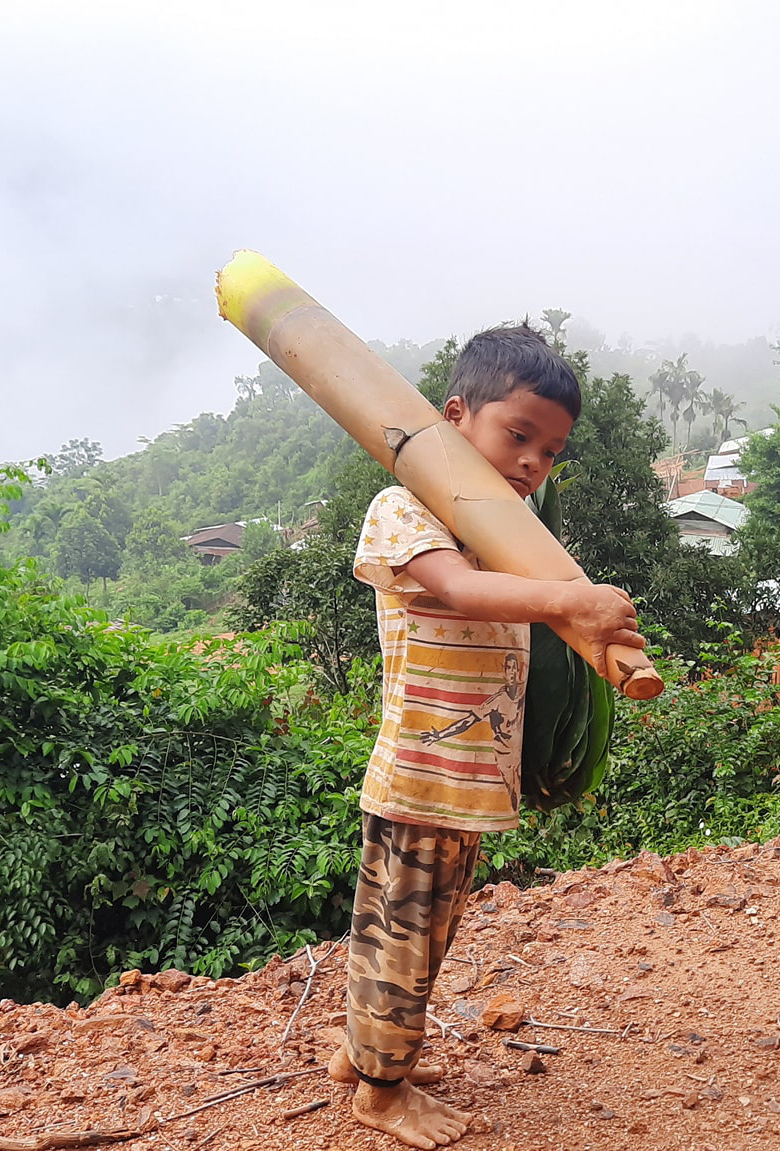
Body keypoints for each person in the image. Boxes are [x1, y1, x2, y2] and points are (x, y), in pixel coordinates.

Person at [323, 324, 643, 1149]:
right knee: (405, 930)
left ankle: (366, 1052)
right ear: (456, 415)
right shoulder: (403, 509)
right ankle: (382, 1092)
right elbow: (460, 592)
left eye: (550, 449)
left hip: (465, 780)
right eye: (518, 433)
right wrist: (570, 603)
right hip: (425, 775)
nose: (533, 461)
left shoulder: (502, 530)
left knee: (411, 927)